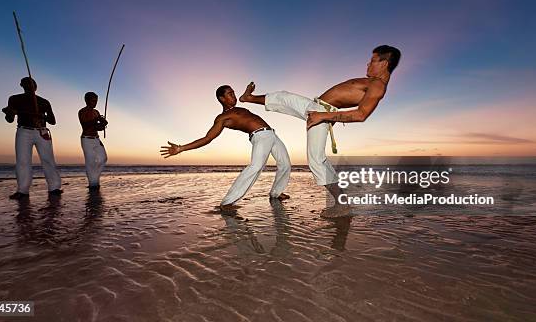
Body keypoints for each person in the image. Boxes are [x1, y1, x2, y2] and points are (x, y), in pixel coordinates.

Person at [239, 45, 401, 217]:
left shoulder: (378, 86)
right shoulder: (371, 82)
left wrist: (323, 116)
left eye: (373, 60)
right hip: (315, 106)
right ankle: (248, 98)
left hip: (322, 113)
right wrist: (321, 113)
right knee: (283, 98)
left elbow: (361, 115)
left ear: (384, 63)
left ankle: (342, 204)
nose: (368, 64)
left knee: (316, 160)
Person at [160, 85, 291, 208]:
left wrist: (248, 93)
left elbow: (245, 98)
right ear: (222, 98)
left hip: (272, 134)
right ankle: (228, 202)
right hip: (260, 136)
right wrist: (180, 148)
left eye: (233, 93)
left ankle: (276, 193)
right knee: (255, 167)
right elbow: (207, 138)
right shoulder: (223, 117)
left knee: (285, 164)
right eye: (230, 94)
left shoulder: (240, 109)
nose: (233, 96)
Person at [2, 77, 62, 199]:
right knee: (23, 161)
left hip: (42, 132)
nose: (30, 86)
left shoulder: (44, 101)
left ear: (36, 86)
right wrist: (9, 112)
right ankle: (22, 190)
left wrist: (41, 117)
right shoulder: (14, 99)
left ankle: (54, 188)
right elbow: (9, 120)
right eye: (27, 84)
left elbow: (53, 121)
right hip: (24, 131)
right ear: (21, 85)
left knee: (48, 160)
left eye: (32, 83)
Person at [78, 92, 108, 189]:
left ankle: (94, 178)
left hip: (96, 138)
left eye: (96, 101)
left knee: (103, 158)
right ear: (87, 100)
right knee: (90, 162)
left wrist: (103, 124)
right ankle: (93, 184)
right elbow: (85, 125)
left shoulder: (96, 112)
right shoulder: (82, 111)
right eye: (93, 101)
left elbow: (97, 127)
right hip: (86, 139)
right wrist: (97, 120)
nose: (95, 103)